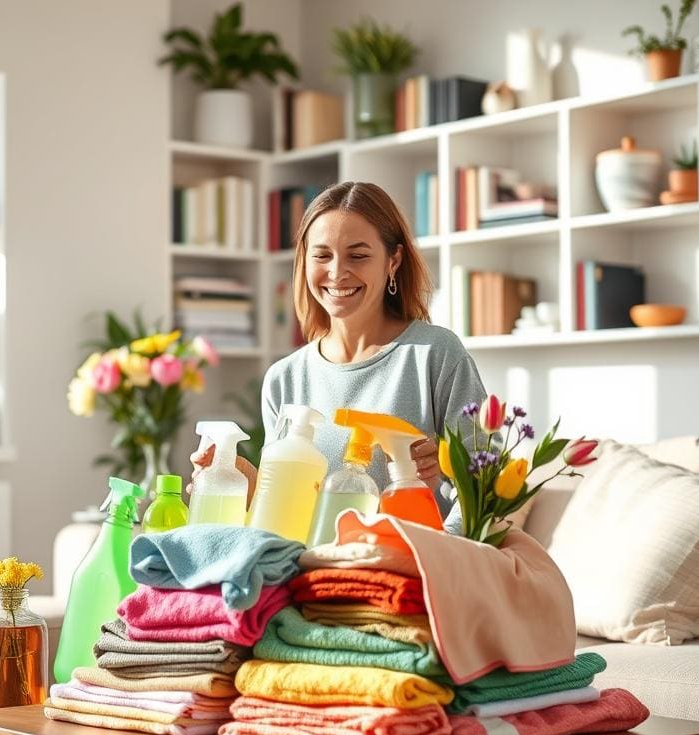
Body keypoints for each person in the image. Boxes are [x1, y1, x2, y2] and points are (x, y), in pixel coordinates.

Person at [192, 181, 487, 522]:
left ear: (394, 260)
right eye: (322, 255)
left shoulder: (435, 355)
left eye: (358, 256)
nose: (336, 273)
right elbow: (287, 516)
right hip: (313, 568)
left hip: (415, 565)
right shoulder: (284, 379)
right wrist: (242, 479)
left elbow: (483, 491)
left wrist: (445, 480)